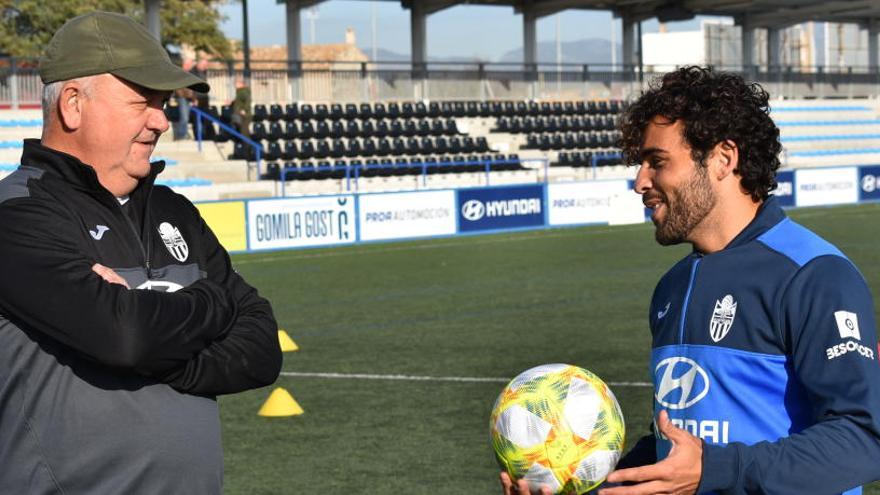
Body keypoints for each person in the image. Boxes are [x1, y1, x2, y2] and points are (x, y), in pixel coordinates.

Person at [501, 66, 880, 495]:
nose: (640, 181)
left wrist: (717, 470)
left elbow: (863, 438)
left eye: (656, 162)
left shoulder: (813, 274)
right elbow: (675, 446)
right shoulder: (672, 287)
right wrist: (579, 485)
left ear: (723, 158)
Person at [0, 11, 281, 493]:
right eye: (143, 102)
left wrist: (163, 349)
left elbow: (261, 348)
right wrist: (214, 303)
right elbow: (123, 335)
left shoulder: (176, 211)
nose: (161, 121)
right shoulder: (17, 214)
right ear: (72, 105)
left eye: (164, 103)